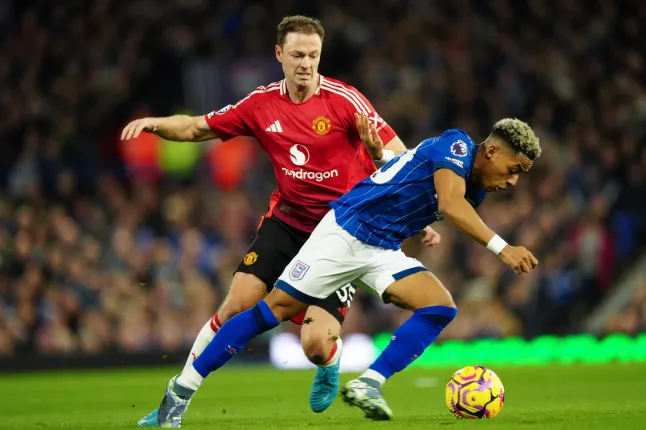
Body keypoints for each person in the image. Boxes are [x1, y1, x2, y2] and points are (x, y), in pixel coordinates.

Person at [121, 15, 434, 426]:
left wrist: (413, 209)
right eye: (298, 54)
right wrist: (156, 124)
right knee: (236, 305)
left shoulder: (346, 100)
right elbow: (197, 128)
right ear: (279, 55)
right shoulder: (260, 104)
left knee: (315, 346)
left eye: (314, 55)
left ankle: (330, 361)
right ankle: (176, 398)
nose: (306, 63)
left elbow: (398, 154)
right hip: (286, 223)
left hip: (341, 232)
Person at [153, 117, 541, 423]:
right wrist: (502, 248)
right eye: (514, 168)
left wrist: (383, 159)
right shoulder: (456, 144)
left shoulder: (474, 187)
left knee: (440, 307)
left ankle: (369, 384)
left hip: (382, 248)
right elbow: (452, 207)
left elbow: (406, 173)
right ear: (490, 150)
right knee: (271, 312)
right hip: (346, 233)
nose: (512, 180)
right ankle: (180, 392)